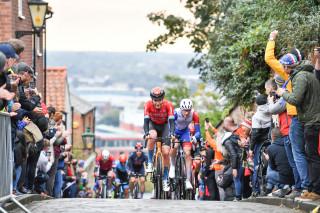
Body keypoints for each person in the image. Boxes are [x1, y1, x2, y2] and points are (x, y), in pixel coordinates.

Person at [265, 30, 310, 198]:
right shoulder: (308, 73)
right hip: (306, 116)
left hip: (295, 117)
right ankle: (300, 187)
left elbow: (269, 58)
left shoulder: (289, 73)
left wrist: (272, 39)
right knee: (302, 155)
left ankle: (302, 188)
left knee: (297, 156)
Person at [277, 52, 320, 201]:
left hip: (311, 120)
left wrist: (283, 93)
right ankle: (311, 189)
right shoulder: (308, 73)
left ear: (287, 66)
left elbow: (296, 99)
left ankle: (316, 191)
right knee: (311, 155)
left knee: (313, 156)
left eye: (283, 66)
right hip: (310, 119)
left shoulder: (301, 76)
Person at [266, 75, 302, 199]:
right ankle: (293, 186)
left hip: (290, 131)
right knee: (294, 162)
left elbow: (273, 109)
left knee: (295, 162)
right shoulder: (285, 96)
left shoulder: (286, 96)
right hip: (287, 130)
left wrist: (271, 101)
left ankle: (298, 187)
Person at [143, 87, 175, 191]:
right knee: (152, 136)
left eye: (159, 100)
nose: (157, 103)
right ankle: (151, 162)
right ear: (152, 100)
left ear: (163, 98)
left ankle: (165, 178)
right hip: (153, 125)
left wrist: (172, 133)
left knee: (166, 153)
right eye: (155, 100)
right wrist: (146, 133)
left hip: (164, 126)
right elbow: (146, 122)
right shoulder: (147, 105)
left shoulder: (168, 105)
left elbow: (171, 122)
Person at [169, 98, 200, 190]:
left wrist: (194, 137)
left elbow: (198, 132)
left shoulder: (194, 114)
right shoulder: (175, 113)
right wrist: (172, 134)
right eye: (185, 110)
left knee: (187, 153)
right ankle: (172, 165)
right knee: (175, 145)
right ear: (181, 109)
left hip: (184, 132)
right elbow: (169, 125)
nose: (186, 113)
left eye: (188, 110)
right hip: (174, 130)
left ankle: (187, 181)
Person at [249, 94, 271, 196]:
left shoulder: (256, 116)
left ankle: (256, 190)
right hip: (271, 141)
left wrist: (251, 148)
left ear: (256, 104)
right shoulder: (272, 109)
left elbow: (255, 133)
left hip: (260, 144)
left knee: (258, 166)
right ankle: (270, 187)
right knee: (270, 164)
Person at [265, 128, 294, 197]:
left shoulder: (271, 148)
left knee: (268, 176)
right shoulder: (289, 144)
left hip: (284, 177)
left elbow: (273, 167)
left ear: (272, 137)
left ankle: (282, 187)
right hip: (294, 175)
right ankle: (285, 187)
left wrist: (269, 159)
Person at [222, 130, 244, 201]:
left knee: (236, 178)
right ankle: (240, 196)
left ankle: (238, 197)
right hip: (243, 159)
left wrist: (234, 168)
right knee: (240, 179)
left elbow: (234, 155)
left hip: (239, 161)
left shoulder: (227, 142)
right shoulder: (234, 138)